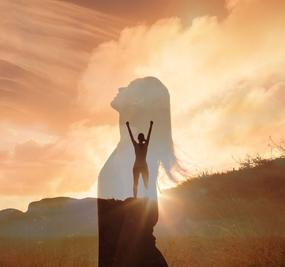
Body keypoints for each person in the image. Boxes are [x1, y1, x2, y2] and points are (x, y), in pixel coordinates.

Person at [126, 121, 153, 198]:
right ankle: (136, 197)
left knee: (144, 183)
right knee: (137, 183)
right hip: (139, 166)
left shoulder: (145, 145)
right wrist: (128, 126)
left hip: (141, 166)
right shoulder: (139, 145)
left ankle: (145, 197)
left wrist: (151, 126)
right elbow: (131, 136)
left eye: (141, 138)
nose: (140, 140)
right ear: (139, 139)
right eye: (140, 138)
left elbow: (149, 135)